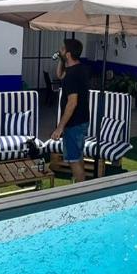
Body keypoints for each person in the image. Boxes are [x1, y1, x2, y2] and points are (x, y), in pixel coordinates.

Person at [50, 38, 89, 182]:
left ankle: (79, 192)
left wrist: (60, 127)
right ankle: (81, 185)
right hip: (81, 120)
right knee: (77, 156)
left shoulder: (72, 75)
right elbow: (60, 75)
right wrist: (61, 59)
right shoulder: (78, 68)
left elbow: (72, 102)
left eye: (62, 48)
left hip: (74, 123)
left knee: (73, 159)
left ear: (68, 53)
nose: (60, 49)